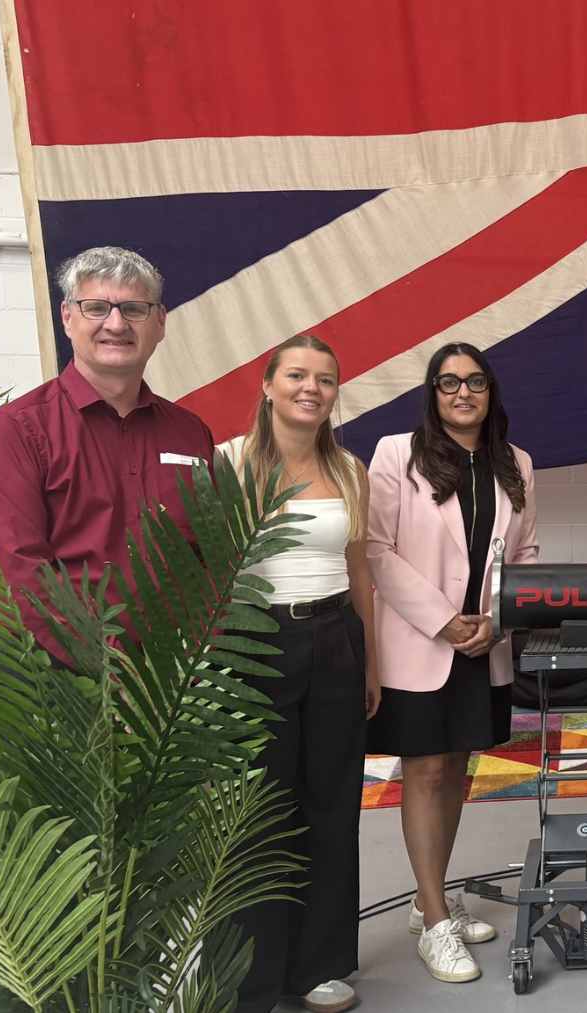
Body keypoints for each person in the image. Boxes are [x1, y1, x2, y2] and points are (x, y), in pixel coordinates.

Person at [365, 343, 540, 984]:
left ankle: (425, 897)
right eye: (448, 383)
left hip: (483, 643)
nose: (462, 393)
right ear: (432, 393)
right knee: (427, 769)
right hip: (421, 640)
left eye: (474, 382)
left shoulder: (516, 463)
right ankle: (437, 920)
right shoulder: (395, 454)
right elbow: (377, 549)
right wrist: (442, 619)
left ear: (490, 391)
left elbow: (524, 554)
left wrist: (498, 618)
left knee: (461, 766)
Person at [219, 335, 379, 1013]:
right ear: (267, 384)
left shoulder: (347, 467)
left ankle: (319, 963)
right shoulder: (227, 462)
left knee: (333, 803)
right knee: (259, 811)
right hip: (255, 643)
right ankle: (253, 974)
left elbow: (361, 568)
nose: (311, 387)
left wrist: (369, 658)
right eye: (296, 375)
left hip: (335, 637)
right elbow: (212, 569)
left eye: (325, 378)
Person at [0, 246, 214, 659]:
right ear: (67, 318)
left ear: (160, 322)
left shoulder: (191, 434)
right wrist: (108, 662)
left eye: (134, 308)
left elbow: (211, 558)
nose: (116, 324)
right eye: (96, 307)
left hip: (173, 684)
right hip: (56, 685)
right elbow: (22, 571)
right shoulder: (16, 430)